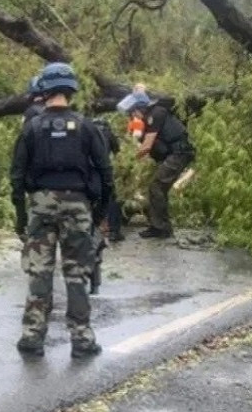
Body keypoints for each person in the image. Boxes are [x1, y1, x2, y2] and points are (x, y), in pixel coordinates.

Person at [11, 62, 113, 358]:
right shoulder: (87, 127)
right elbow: (106, 174)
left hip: (41, 205)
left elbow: (17, 175)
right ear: (71, 90)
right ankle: (82, 339)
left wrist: (20, 215)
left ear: (44, 90)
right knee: (77, 274)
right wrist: (99, 214)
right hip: (78, 205)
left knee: (39, 273)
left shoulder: (31, 127)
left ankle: (32, 336)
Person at [120, 91, 195, 239]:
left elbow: (147, 145)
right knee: (159, 188)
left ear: (139, 108)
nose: (132, 116)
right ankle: (161, 226)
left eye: (133, 112)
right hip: (171, 154)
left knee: (157, 186)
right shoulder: (147, 118)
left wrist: (128, 160)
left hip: (179, 153)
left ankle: (160, 228)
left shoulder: (156, 114)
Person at [92, 116, 124, 243]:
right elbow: (117, 151)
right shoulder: (109, 133)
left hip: (88, 171)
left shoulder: (85, 131)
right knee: (112, 197)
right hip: (104, 168)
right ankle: (114, 231)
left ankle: (90, 229)